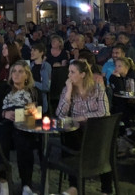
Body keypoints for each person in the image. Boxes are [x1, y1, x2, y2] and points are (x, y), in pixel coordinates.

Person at [55, 59, 112, 195]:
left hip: (96, 131)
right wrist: (68, 93)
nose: (69, 75)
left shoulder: (97, 89)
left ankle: (106, 189)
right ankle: (74, 187)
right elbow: (60, 114)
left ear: (82, 74)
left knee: (100, 136)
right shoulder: (67, 89)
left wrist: (80, 118)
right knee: (70, 132)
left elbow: (104, 112)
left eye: (72, 72)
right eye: (69, 72)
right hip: (78, 133)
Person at [0, 60, 40, 195]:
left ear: (27, 75)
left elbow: (37, 115)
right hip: (5, 123)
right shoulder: (4, 89)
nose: (16, 74)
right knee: (2, 140)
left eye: (20, 72)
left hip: (24, 125)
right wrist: (4, 113)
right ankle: (4, 183)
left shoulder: (33, 91)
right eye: (14, 71)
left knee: (23, 141)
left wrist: (22, 115)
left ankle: (26, 185)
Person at [30, 42, 51, 111]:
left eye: (34, 50)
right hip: (29, 99)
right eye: (31, 50)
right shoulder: (30, 65)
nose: (32, 52)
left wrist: (33, 83)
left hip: (40, 100)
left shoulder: (46, 66)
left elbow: (46, 87)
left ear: (41, 52)